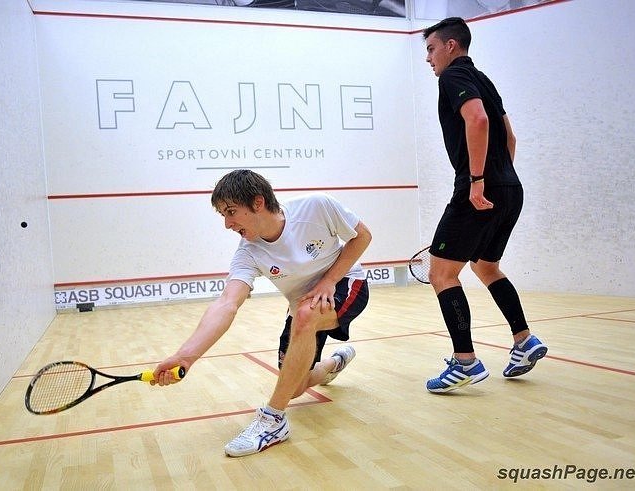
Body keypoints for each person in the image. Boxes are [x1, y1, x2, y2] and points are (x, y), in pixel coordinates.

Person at [151, 169, 371, 455]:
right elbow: (227, 303)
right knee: (294, 386)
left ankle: (273, 420)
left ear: (258, 202)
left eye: (231, 212)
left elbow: (362, 236)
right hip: (302, 305)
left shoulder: (316, 207)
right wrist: (185, 356)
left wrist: (329, 280)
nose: (227, 224)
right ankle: (333, 364)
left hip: (346, 283)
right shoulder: (248, 252)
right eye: (223, 215)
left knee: (306, 315)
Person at [421, 17, 547, 393]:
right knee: (486, 266)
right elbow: (509, 136)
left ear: (451, 46)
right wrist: (499, 177)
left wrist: (478, 180)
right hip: (510, 188)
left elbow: (477, 120)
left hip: (477, 190)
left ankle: (466, 362)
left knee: (442, 274)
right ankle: (524, 340)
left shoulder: (453, 76)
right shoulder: (483, 79)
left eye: (431, 49)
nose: (428, 58)